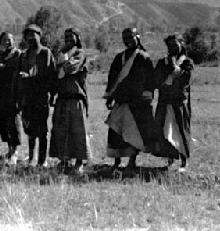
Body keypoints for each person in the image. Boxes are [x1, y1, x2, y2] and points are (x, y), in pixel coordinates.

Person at [103, 28, 161, 172]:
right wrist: (110, 96)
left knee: (133, 133)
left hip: (137, 102)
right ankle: (116, 161)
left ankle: (131, 161)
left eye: (131, 37)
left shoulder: (144, 58)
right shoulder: (119, 58)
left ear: (138, 37)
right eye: (125, 37)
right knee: (116, 130)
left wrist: (147, 97)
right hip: (121, 100)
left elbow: (150, 80)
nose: (128, 40)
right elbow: (112, 78)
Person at [49, 28, 90, 174]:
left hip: (75, 97)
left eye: (71, 37)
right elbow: (56, 74)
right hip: (62, 98)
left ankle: (79, 162)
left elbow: (70, 68)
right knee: (61, 130)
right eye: (65, 37)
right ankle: (64, 160)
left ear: (77, 38)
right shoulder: (61, 53)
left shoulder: (80, 53)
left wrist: (61, 64)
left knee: (77, 131)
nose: (68, 39)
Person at [17, 24, 56, 168]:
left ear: (40, 36)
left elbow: (51, 76)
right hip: (28, 97)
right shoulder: (24, 55)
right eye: (28, 37)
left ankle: (42, 160)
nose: (31, 39)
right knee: (30, 130)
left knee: (42, 130)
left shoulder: (46, 53)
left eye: (34, 36)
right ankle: (32, 159)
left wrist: (52, 95)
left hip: (41, 96)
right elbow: (19, 77)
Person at [154, 34, 193, 172]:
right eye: (169, 45)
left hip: (178, 102)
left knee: (181, 130)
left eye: (175, 44)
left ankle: (184, 162)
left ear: (181, 44)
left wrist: (172, 69)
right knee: (165, 130)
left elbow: (184, 81)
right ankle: (170, 158)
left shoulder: (187, 62)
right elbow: (156, 79)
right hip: (165, 101)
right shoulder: (162, 62)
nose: (172, 47)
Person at [0, 32, 23, 165]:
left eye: (9, 40)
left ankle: (15, 152)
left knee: (13, 122)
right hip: (2, 93)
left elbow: (19, 72)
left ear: (13, 41)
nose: (7, 42)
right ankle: (9, 150)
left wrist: (5, 69)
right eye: (4, 40)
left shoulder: (18, 55)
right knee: (2, 122)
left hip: (14, 93)